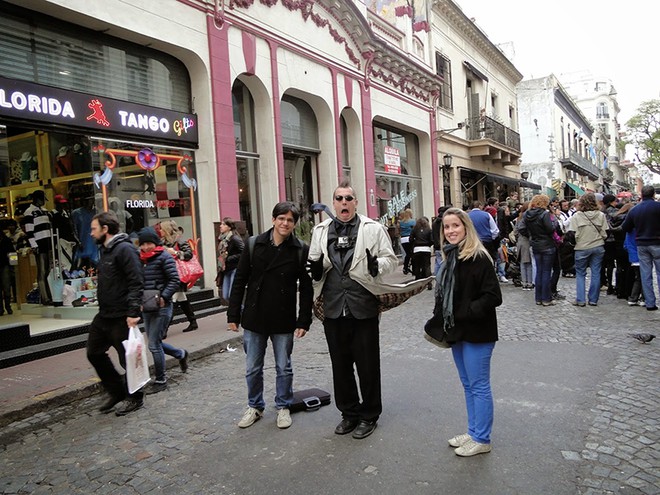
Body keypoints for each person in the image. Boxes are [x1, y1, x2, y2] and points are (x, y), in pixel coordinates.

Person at [307, 179, 398, 440]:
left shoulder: (373, 228)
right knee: (341, 365)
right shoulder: (321, 231)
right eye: (339, 198)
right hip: (333, 307)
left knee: (368, 365)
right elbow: (314, 263)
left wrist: (375, 266)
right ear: (333, 203)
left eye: (348, 198)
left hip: (363, 306)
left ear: (356, 202)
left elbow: (390, 261)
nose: (344, 202)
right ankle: (349, 413)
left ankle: (369, 415)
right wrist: (314, 271)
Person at [228, 202, 312, 430]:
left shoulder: (300, 249)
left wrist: (304, 319)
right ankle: (254, 406)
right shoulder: (254, 244)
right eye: (281, 218)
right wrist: (233, 314)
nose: (285, 223)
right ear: (273, 219)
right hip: (255, 316)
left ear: (294, 224)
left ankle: (283, 406)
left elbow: (306, 288)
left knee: (284, 366)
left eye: (290, 220)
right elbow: (240, 280)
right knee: (253, 367)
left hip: (283, 317)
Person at [426, 207, 502, 456]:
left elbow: (493, 296)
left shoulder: (478, 257)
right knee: (468, 384)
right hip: (458, 332)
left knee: (479, 385)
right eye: (446, 227)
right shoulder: (450, 257)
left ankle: (482, 438)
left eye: (455, 226)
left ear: (466, 227)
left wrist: (465, 311)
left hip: (478, 332)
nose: (450, 231)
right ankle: (473, 431)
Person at [86, 211, 145, 416]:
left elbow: (136, 281)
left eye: (94, 229)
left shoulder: (125, 250)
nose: (91, 233)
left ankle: (135, 398)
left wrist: (133, 311)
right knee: (93, 352)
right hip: (104, 315)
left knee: (127, 358)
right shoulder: (106, 250)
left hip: (122, 316)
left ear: (105, 229)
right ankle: (117, 391)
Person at [138, 226, 188, 394]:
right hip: (146, 307)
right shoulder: (141, 259)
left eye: (148, 243)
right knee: (155, 342)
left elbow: (174, 280)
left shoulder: (164, 257)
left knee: (153, 344)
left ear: (155, 242)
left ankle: (161, 380)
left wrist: (164, 297)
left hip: (162, 307)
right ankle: (180, 354)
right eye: (142, 244)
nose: (145, 247)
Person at [621, 185, 660, 311]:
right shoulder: (658, 207)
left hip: (641, 244)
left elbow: (625, 227)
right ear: (653, 194)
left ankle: (649, 302)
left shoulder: (635, 210)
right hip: (657, 242)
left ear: (642, 195)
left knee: (645, 274)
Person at [566, 193, 608, 307]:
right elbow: (606, 233)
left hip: (582, 247)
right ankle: (593, 299)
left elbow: (572, 233)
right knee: (596, 272)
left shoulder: (577, 216)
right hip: (598, 246)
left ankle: (581, 299)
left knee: (580, 274)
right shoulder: (601, 215)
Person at [158, 220, 198, 333]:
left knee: (172, 301)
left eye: (161, 228)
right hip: (168, 274)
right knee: (181, 298)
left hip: (178, 275)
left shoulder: (179, 240)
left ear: (167, 230)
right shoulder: (162, 242)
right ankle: (193, 321)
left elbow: (189, 254)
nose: (160, 230)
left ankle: (163, 329)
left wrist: (175, 253)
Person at [522, 194, 556, 306]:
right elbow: (550, 229)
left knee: (539, 271)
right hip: (546, 244)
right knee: (546, 272)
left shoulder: (527, 214)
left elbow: (523, 228)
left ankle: (538, 297)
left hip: (535, 244)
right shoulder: (544, 214)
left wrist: (532, 236)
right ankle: (546, 298)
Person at [23, 190, 53, 305]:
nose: (43, 202)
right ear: (37, 199)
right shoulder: (29, 212)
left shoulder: (45, 211)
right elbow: (29, 231)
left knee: (48, 271)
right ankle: (45, 298)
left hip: (47, 243)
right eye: (42, 199)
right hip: (39, 245)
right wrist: (34, 245)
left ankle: (49, 295)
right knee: (42, 271)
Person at [216, 217, 245, 306]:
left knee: (231, 294)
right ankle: (241, 310)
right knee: (225, 296)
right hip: (226, 270)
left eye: (223, 224)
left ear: (229, 227)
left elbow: (244, 252)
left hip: (235, 269)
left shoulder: (234, 238)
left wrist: (228, 258)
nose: (221, 226)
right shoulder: (222, 239)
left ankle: (242, 313)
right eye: (221, 224)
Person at [467, 201, 499, 266]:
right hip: (487, 241)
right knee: (489, 261)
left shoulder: (467, 216)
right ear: (479, 206)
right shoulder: (487, 215)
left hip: (473, 242)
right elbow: (495, 230)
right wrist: (491, 237)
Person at [514, 202, 533, 290]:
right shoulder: (526, 218)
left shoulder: (519, 218)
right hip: (526, 241)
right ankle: (528, 283)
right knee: (528, 263)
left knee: (522, 263)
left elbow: (515, 231)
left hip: (520, 242)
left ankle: (524, 282)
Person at [410, 216, 433, 282]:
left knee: (417, 266)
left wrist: (415, 243)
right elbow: (432, 240)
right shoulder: (429, 229)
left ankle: (417, 281)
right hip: (426, 249)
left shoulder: (414, 229)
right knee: (427, 266)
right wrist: (428, 244)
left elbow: (410, 239)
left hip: (417, 249)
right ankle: (429, 282)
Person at [0, 229, 14, 315]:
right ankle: (3, 308)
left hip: (5, 265)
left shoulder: (6, 240)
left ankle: (7, 306)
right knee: (6, 287)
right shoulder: (6, 240)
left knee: (6, 288)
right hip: (5, 265)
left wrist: (13, 265)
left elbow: (12, 252)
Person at [398, 209, 415, 274]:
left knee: (408, 254)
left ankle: (405, 267)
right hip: (410, 238)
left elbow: (399, 230)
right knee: (412, 254)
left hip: (403, 239)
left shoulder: (401, 222)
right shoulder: (413, 221)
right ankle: (412, 268)